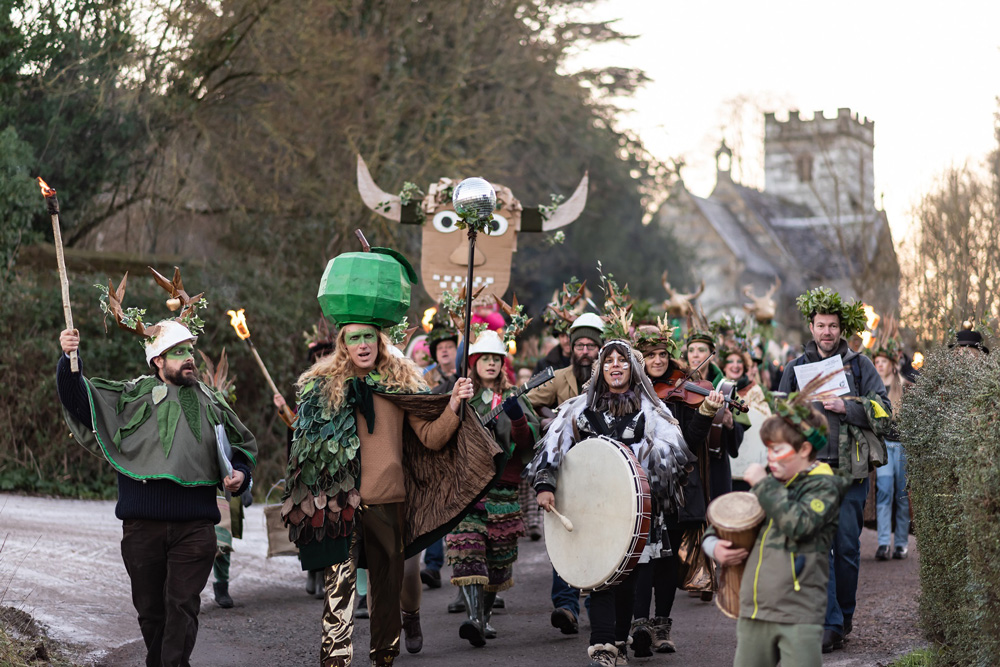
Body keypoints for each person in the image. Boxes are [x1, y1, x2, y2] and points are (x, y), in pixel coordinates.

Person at [283, 245, 502, 667]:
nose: (362, 345)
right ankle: (335, 658)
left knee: (386, 588)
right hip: (340, 503)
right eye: (354, 338)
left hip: (388, 501)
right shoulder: (322, 388)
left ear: (379, 341)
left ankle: (384, 655)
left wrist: (453, 403)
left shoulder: (400, 385)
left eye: (369, 337)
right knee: (339, 584)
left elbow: (433, 438)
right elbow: (304, 449)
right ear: (342, 343)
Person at [57, 313, 257, 667]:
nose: (189, 358)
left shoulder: (212, 401)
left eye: (189, 350)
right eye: (177, 352)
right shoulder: (131, 396)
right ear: (158, 361)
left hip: (195, 526)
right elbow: (81, 403)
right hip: (141, 526)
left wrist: (240, 473)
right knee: (151, 613)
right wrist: (69, 360)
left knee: (182, 607)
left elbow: (240, 447)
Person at [527, 328, 694, 667]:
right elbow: (554, 447)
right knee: (599, 575)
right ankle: (602, 645)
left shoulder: (654, 412)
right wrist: (545, 485)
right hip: (590, 509)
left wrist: (644, 470)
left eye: (622, 361)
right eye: (609, 362)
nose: (615, 367)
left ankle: (619, 639)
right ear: (600, 370)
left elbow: (674, 454)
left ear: (633, 368)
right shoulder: (578, 410)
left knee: (629, 575)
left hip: (636, 508)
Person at [779, 287, 892, 653]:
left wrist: (849, 408)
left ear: (842, 329)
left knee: (845, 549)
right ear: (811, 328)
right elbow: (779, 418)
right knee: (816, 548)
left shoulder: (861, 366)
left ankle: (843, 617)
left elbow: (886, 412)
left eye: (832, 326)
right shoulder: (795, 369)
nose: (827, 332)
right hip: (810, 473)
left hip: (850, 472)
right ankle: (827, 623)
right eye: (821, 325)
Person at [703, 401, 850, 667]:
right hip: (754, 612)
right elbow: (724, 524)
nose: (769, 457)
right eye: (768, 449)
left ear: (804, 449)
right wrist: (715, 547)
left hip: (799, 614)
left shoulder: (824, 486)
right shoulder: (771, 484)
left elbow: (800, 524)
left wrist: (763, 484)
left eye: (778, 449)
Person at [631, 321, 723, 656]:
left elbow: (691, 442)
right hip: (638, 485)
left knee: (666, 558)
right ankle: (639, 622)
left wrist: (708, 412)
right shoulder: (629, 389)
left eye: (661, 354)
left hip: (673, 486)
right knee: (641, 555)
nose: (657, 360)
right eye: (650, 354)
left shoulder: (683, 390)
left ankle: (661, 626)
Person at [446, 330, 540, 645]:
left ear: (502, 363)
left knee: (498, 558)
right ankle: (472, 618)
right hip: (467, 486)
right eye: (484, 358)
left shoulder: (515, 395)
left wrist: (517, 420)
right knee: (468, 547)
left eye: (495, 359)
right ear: (473, 362)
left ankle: (484, 619)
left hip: (504, 487)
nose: (490, 363)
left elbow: (527, 443)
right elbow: (444, 434)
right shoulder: (462, 394)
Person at [525, 311, 605, 635]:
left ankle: (597, 608)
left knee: (601, 538)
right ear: (571, 348)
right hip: (567, 471)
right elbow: (528, 402)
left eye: (591, 345)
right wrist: (548, 420)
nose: (585, 351)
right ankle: (566, 606)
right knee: (566, 536)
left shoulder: (611, 378)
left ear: (600, 349)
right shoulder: (558, 378)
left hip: (602, 470)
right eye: (580, 345)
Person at [871, 342, 909, 561]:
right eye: (876, 362)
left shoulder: (903, 386)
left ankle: (901, 543)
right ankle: (884, 543)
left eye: (883, 362)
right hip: (883, 446)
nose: (879, 366)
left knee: (902, 495)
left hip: (901, 446)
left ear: (892, 363)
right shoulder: (873, 388)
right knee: (884, 492)